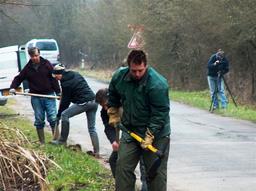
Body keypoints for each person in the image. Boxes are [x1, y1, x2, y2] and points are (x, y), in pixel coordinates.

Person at [107, 50, 170, 191]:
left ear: (146, 66)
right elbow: (113, 93)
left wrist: (150, 134)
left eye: (140, 70)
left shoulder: (158, 84)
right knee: (122, 168)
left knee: (156, 175)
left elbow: (161, 113)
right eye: (133, 70)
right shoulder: (119, 77)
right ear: (128, 66)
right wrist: (113, 110)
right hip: (130, 131)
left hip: (157, 135)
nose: (137, 74)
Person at [95, 88, 148, 191]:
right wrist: (114, 141)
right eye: (102, 106)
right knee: (114, 160)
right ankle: (123, 186)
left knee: (145, 168)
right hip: (126, 140)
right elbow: (108, 127)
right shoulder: (104, 112)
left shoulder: (127, 104)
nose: (105, 108)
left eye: (106, 104)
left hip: (142, 137)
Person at [9, 47, 61, 144]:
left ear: (39, 54)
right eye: (32, 56)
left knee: (53, 118)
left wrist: (58, 92)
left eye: (36, 56)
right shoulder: (28, 68)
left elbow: (54, 79)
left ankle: (56, 141)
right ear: (30, 56)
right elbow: (19, 78)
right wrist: (13, 87)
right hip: (36, 97)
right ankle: (42, 142)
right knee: (39, 119)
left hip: (49, 95)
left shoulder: (47, 64)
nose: (34, 58)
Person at [51, 64, 100, 158]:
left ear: (60, 74)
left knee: (64, 115)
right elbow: (78, 90)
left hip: (84, 102)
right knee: (92, 128)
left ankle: (62, 141)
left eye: (56, 76)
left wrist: (58, 115)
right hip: (94, 101)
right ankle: (97, 152)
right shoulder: (75, 74)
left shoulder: (65, 83)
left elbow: (65, 102)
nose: (55, 78)